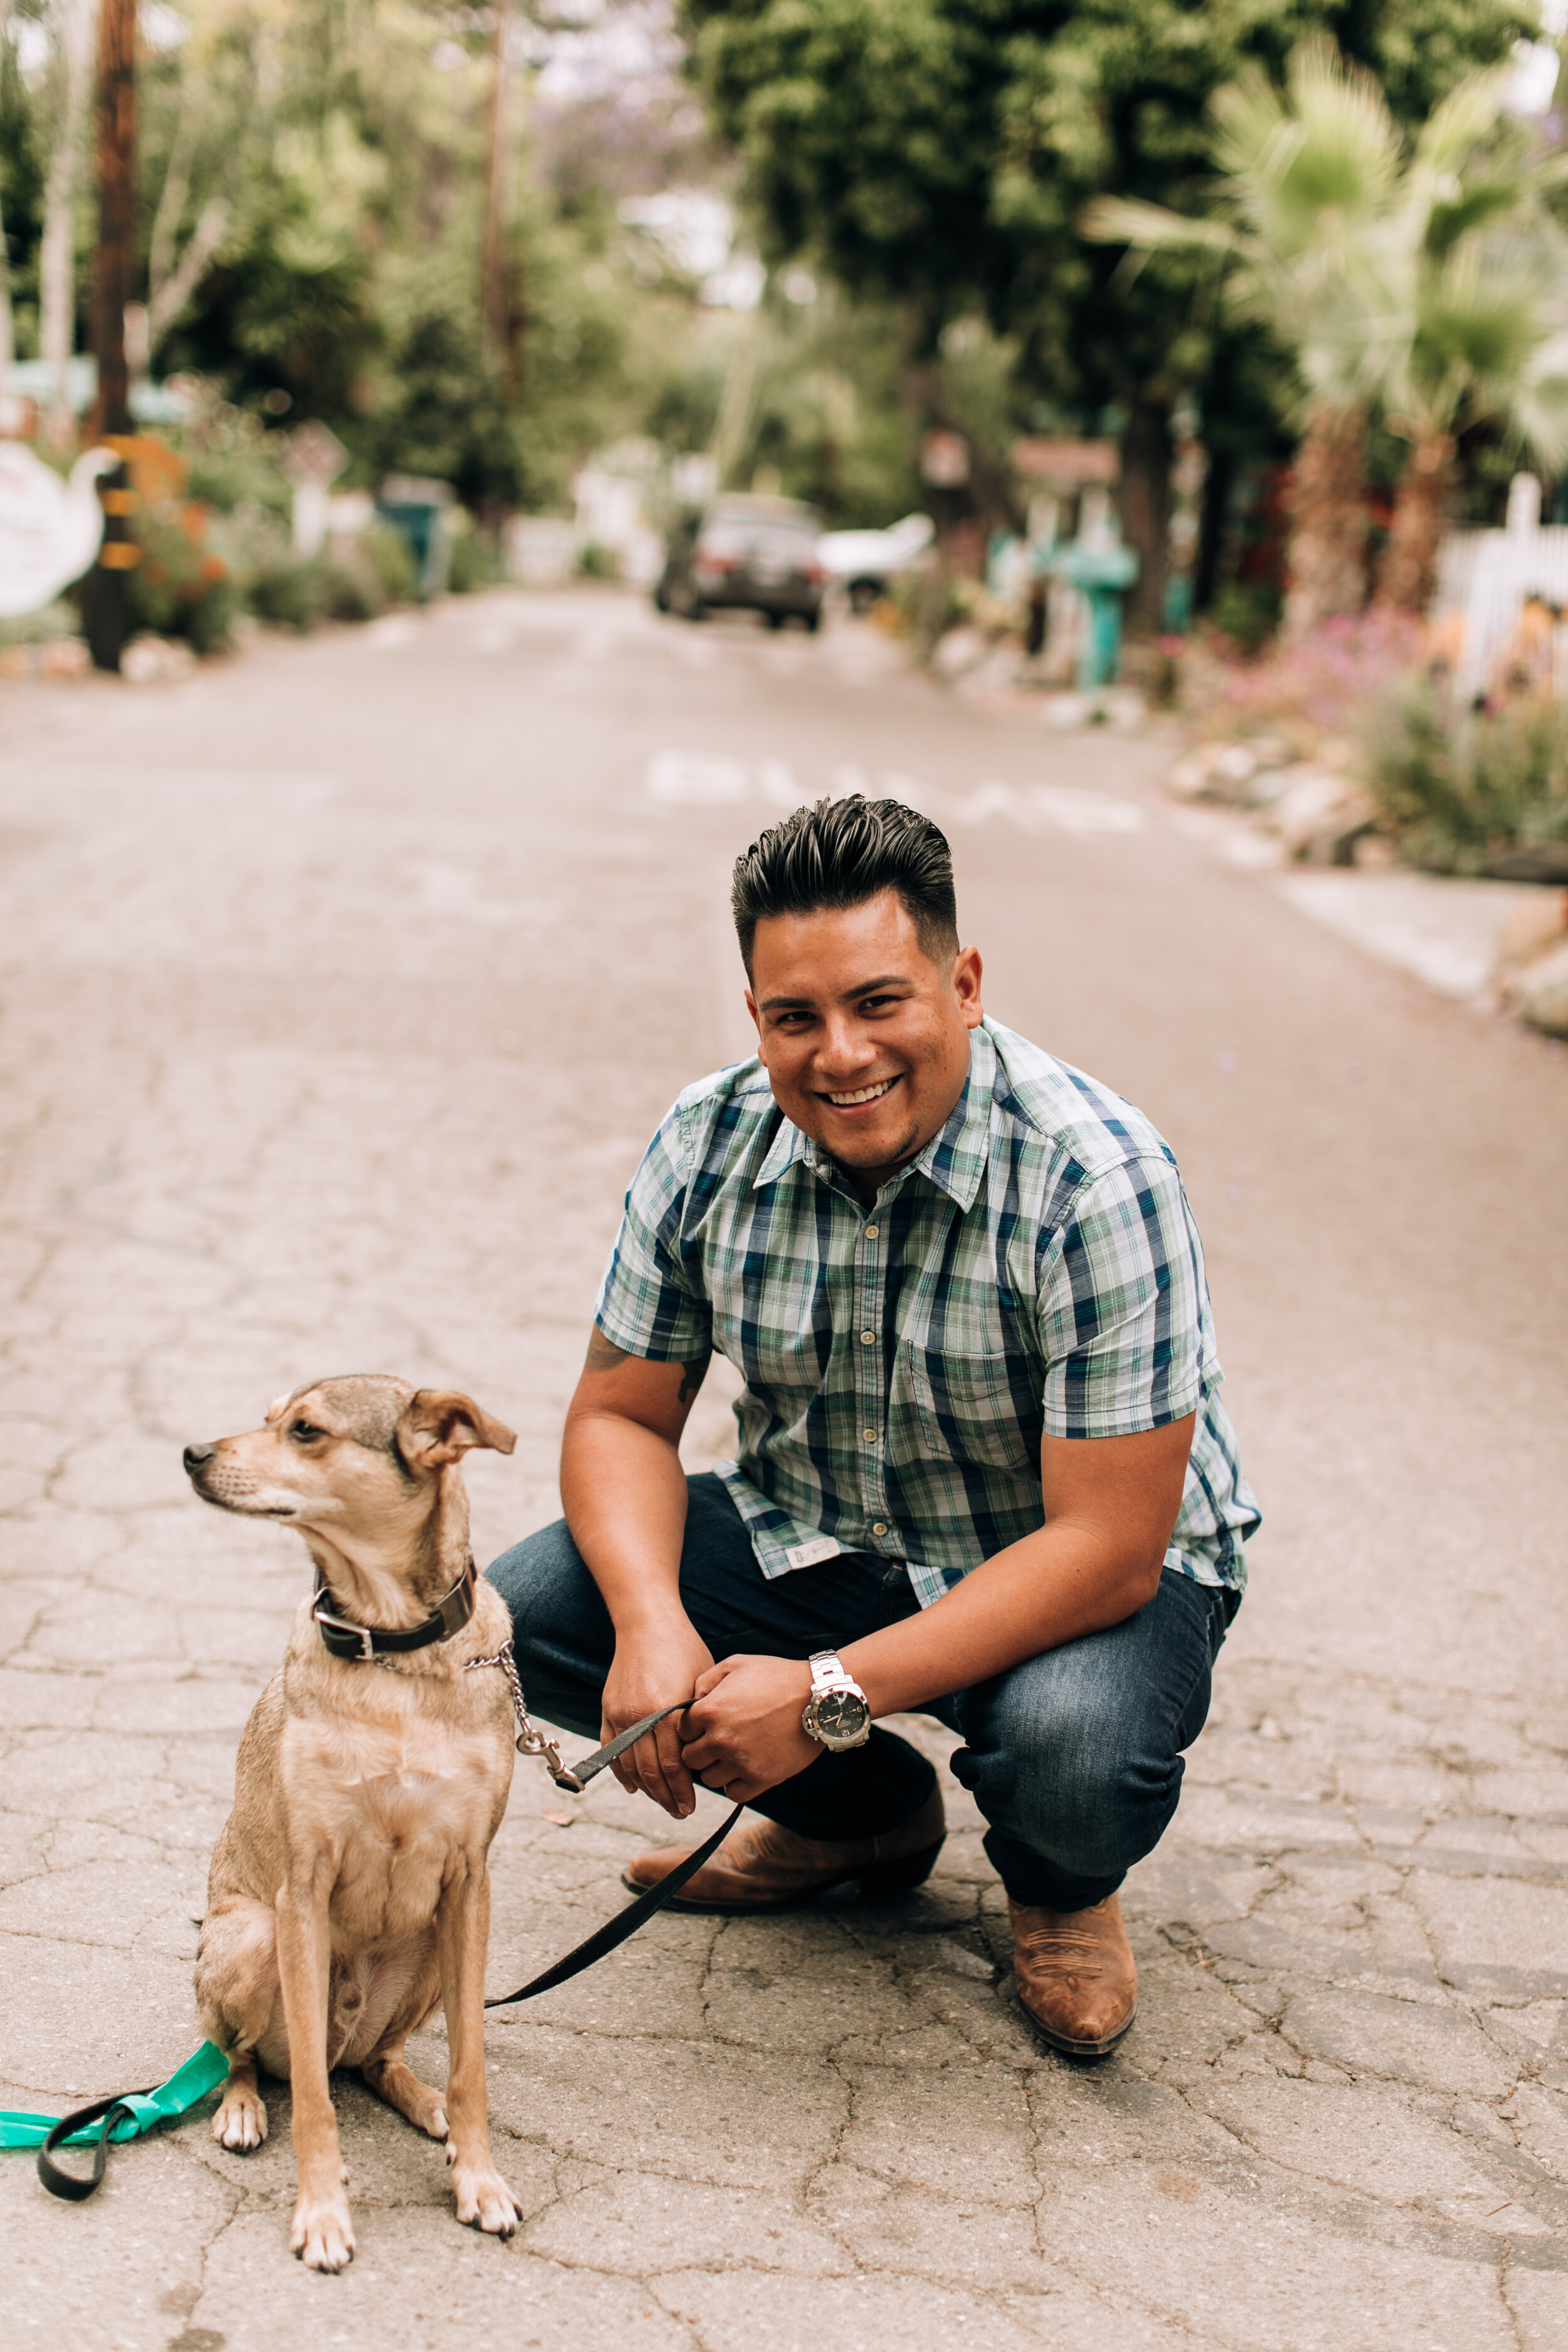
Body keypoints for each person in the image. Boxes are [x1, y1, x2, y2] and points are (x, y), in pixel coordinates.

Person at [488, 796, 1259, 2056]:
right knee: (525, 1620)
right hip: (822, 1527)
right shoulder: (705, 1140)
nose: (838, 1054)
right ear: (755, 1018)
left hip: (1067, 1563)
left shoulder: (1092, 1173)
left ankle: (1060, 1890)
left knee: (1074, 1751)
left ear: (961, 984)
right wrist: (650, 1621)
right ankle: (860, 1817)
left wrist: (826, 1689)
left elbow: (1109, 1545)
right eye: (795, 1017)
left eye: (878, 1002)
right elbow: (623, 1414)